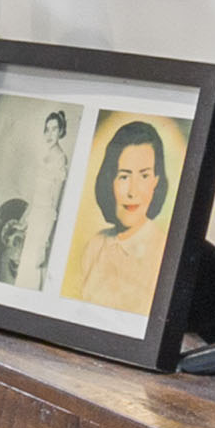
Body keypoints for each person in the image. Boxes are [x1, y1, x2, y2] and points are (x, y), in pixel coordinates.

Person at [62, 117, 177, 311]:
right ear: (110, 181)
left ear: (156, 181)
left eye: (144, 175)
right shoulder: (95, 245)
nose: (133, 191)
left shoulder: (164, 252)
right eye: (123, 176)